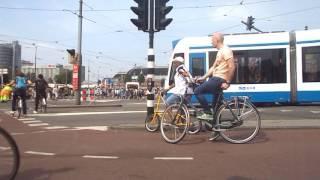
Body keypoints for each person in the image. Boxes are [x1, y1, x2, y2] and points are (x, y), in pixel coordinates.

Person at [195, 32, 235, 120]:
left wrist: (228, 82)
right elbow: (213, 68)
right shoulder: (220, 51)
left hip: (218, 79)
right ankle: (217, 130)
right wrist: (203, 78)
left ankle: (207, 113)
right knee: (216, 106)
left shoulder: (226, 50)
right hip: (218, 79)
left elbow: (232, 66)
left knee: (197, 91)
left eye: (212, 40)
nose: (211, 42)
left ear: (217, 40)